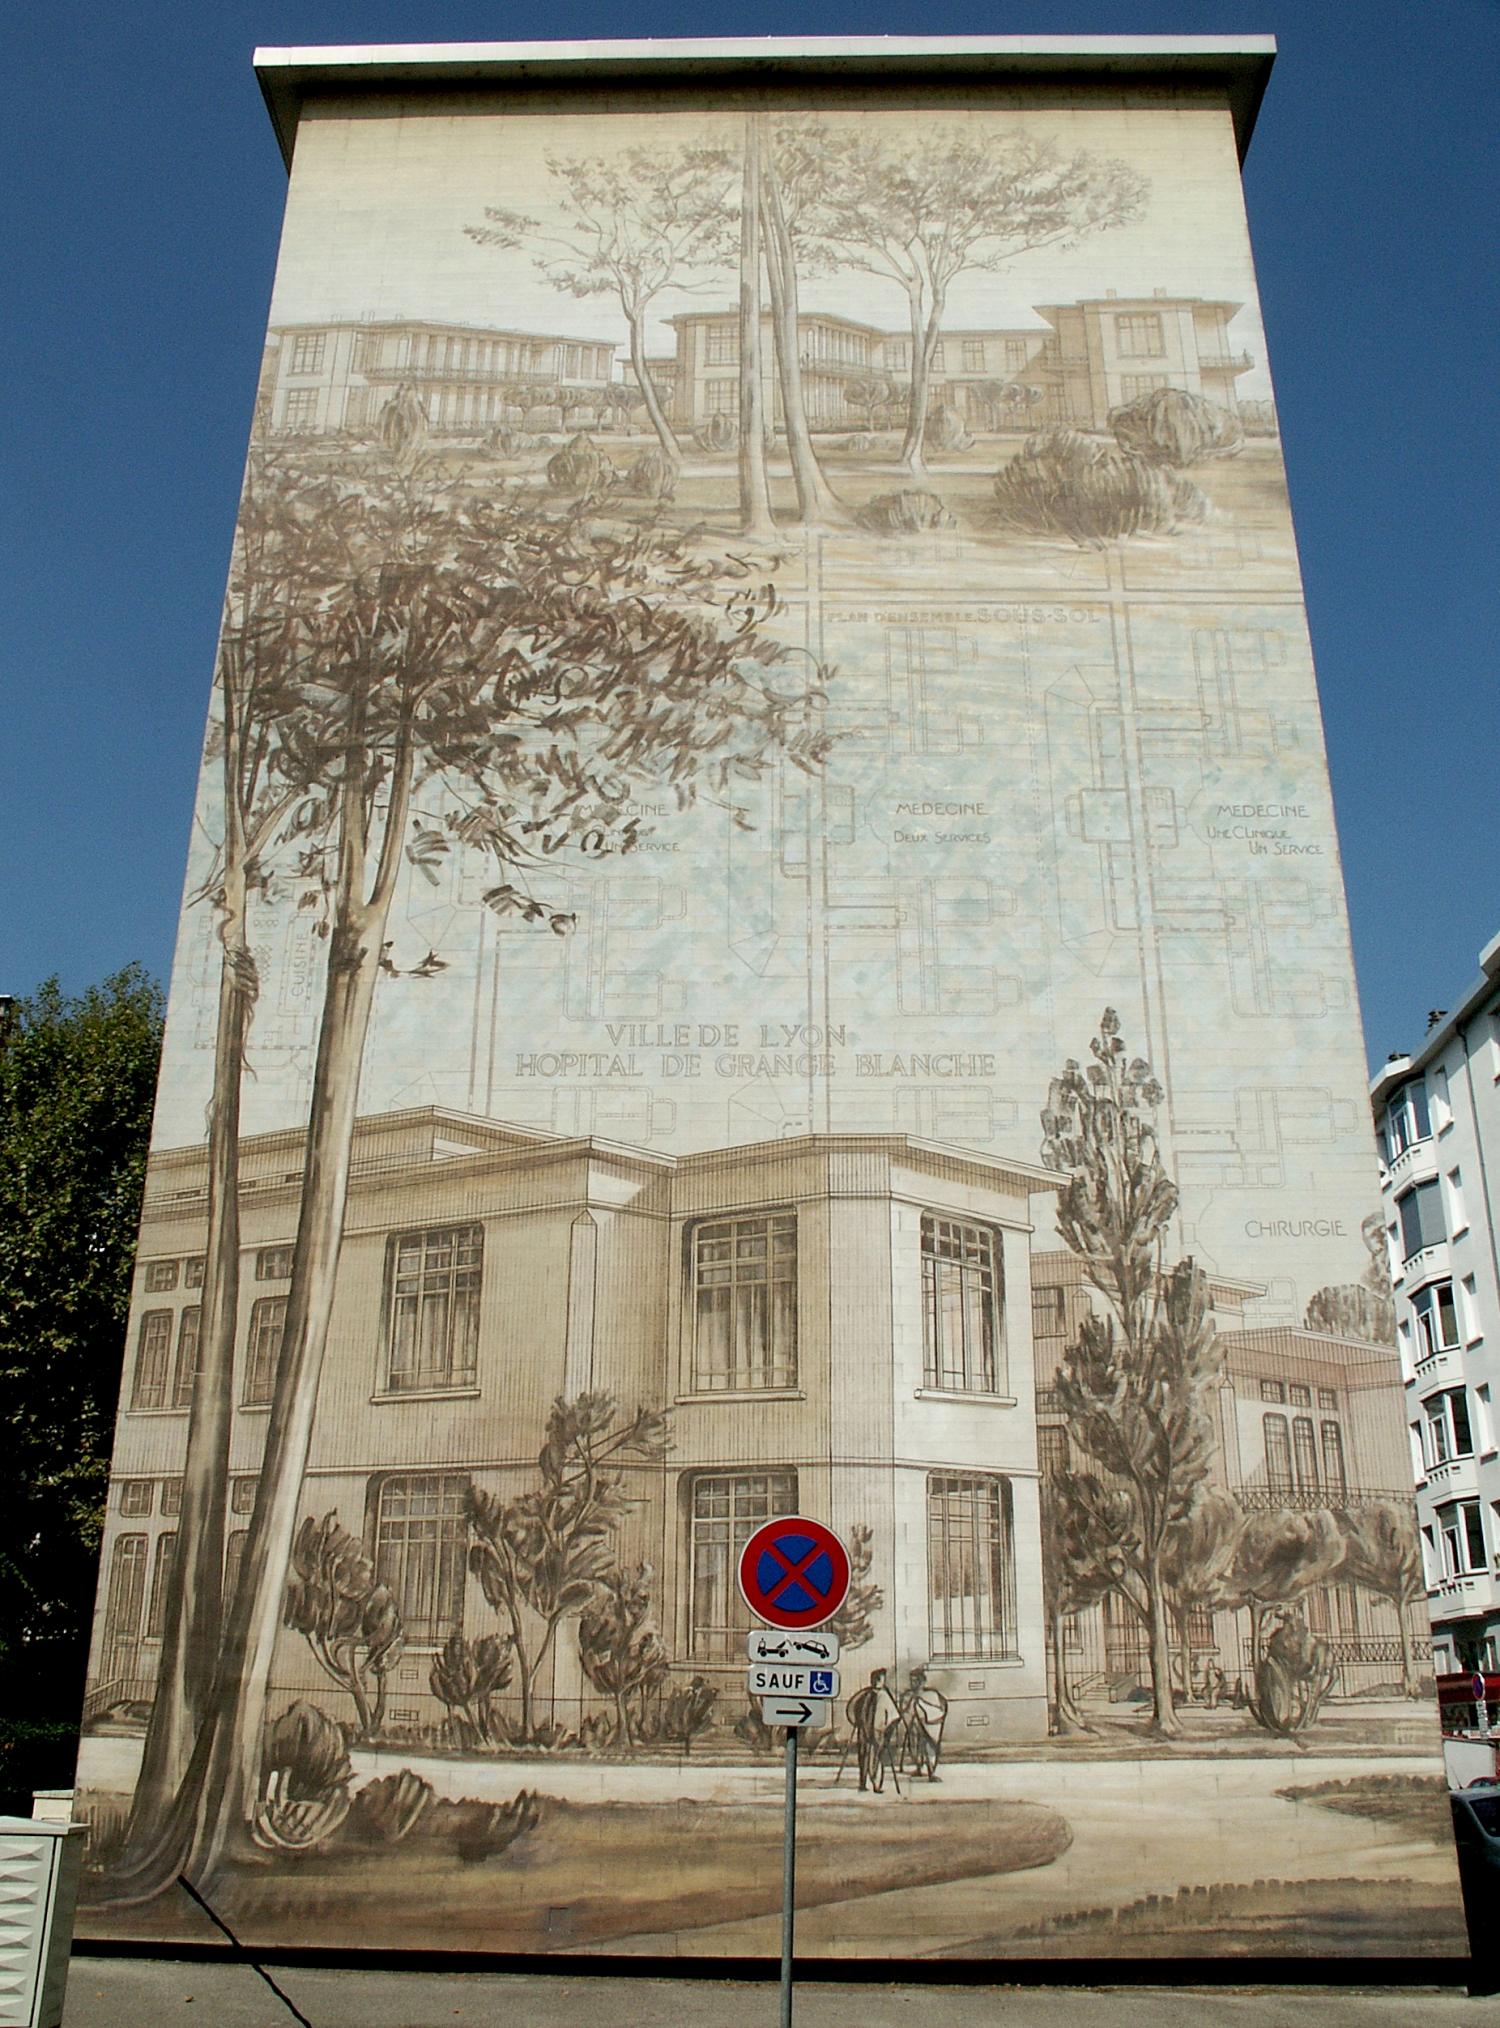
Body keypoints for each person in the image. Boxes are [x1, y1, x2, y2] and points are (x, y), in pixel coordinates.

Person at [845, 1667, 902, 1793]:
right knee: (863, 1756)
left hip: (878, 1732)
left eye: (880, 1679)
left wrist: (887, 1730)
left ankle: (876, 1785)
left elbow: (895, 1716)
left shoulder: (885, 1696)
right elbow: (856, 1711)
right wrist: (859, 1724)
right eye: (877, 1679)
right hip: (864, 1731)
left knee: (876, 1758)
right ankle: (863, 1783)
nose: (878, 1682)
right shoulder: (866, 1696)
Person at [899, 1666, 948, 1780]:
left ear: (922, 1681)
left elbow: (939, 1708)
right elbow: (905, 1710)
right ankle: (919, 1768)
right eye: (912, 1681)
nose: (913, 1683)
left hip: (928, 1727)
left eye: (916, 1681)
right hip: (915, 1727)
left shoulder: (931, 1695)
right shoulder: (908, 1695)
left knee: (930, 1748)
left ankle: (931, 1772)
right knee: (915, 1748)